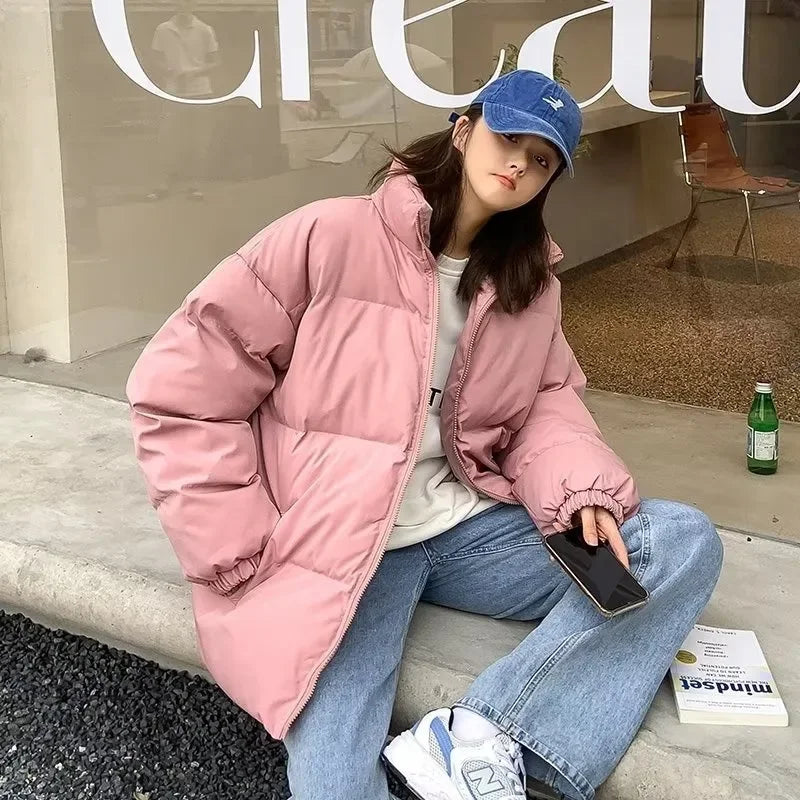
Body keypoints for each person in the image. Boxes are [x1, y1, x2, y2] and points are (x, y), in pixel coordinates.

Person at [126, 70, 723, 800]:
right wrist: (236, 544)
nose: (519, 164)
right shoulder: (329, 235)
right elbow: (180, 392)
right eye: (509, 138)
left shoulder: (529, 284)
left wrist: (581, 493)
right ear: (464, 131)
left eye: (541, 159)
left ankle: (485, 741)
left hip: (470, 530)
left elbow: (544, 402)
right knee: (335, 788)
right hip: (347, 546)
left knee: (678, 540)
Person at [147, 0, 220, 201]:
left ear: (193, 5)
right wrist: (169, 71)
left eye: (188, 3)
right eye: (180, 3)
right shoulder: (163, 29)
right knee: (168, 139)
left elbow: (216, 62)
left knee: (198, 140)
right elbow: (156, 58)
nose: (183, 7)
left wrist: (195, 73)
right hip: (172, 93)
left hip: (200, 92)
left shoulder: (205, 29)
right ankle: (163, 184)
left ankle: (195, 186)